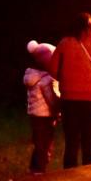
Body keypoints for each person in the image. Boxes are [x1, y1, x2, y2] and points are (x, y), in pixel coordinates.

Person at [48, 13, 91, 168]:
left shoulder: (65, 44)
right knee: (89, 143)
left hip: (69, 99)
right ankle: (89, 178)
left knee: (71, 143)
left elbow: (52, 70)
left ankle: (69, 178)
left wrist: (68, 79)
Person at [23, 41, 60, 173]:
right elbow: (52, 100)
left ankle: (34, 169)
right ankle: (40, 170)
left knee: (39, 144)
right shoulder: (46, 80)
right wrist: (58, 111)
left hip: (34, 115)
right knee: (45, 145)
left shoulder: (31, 76)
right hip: (46, 116)